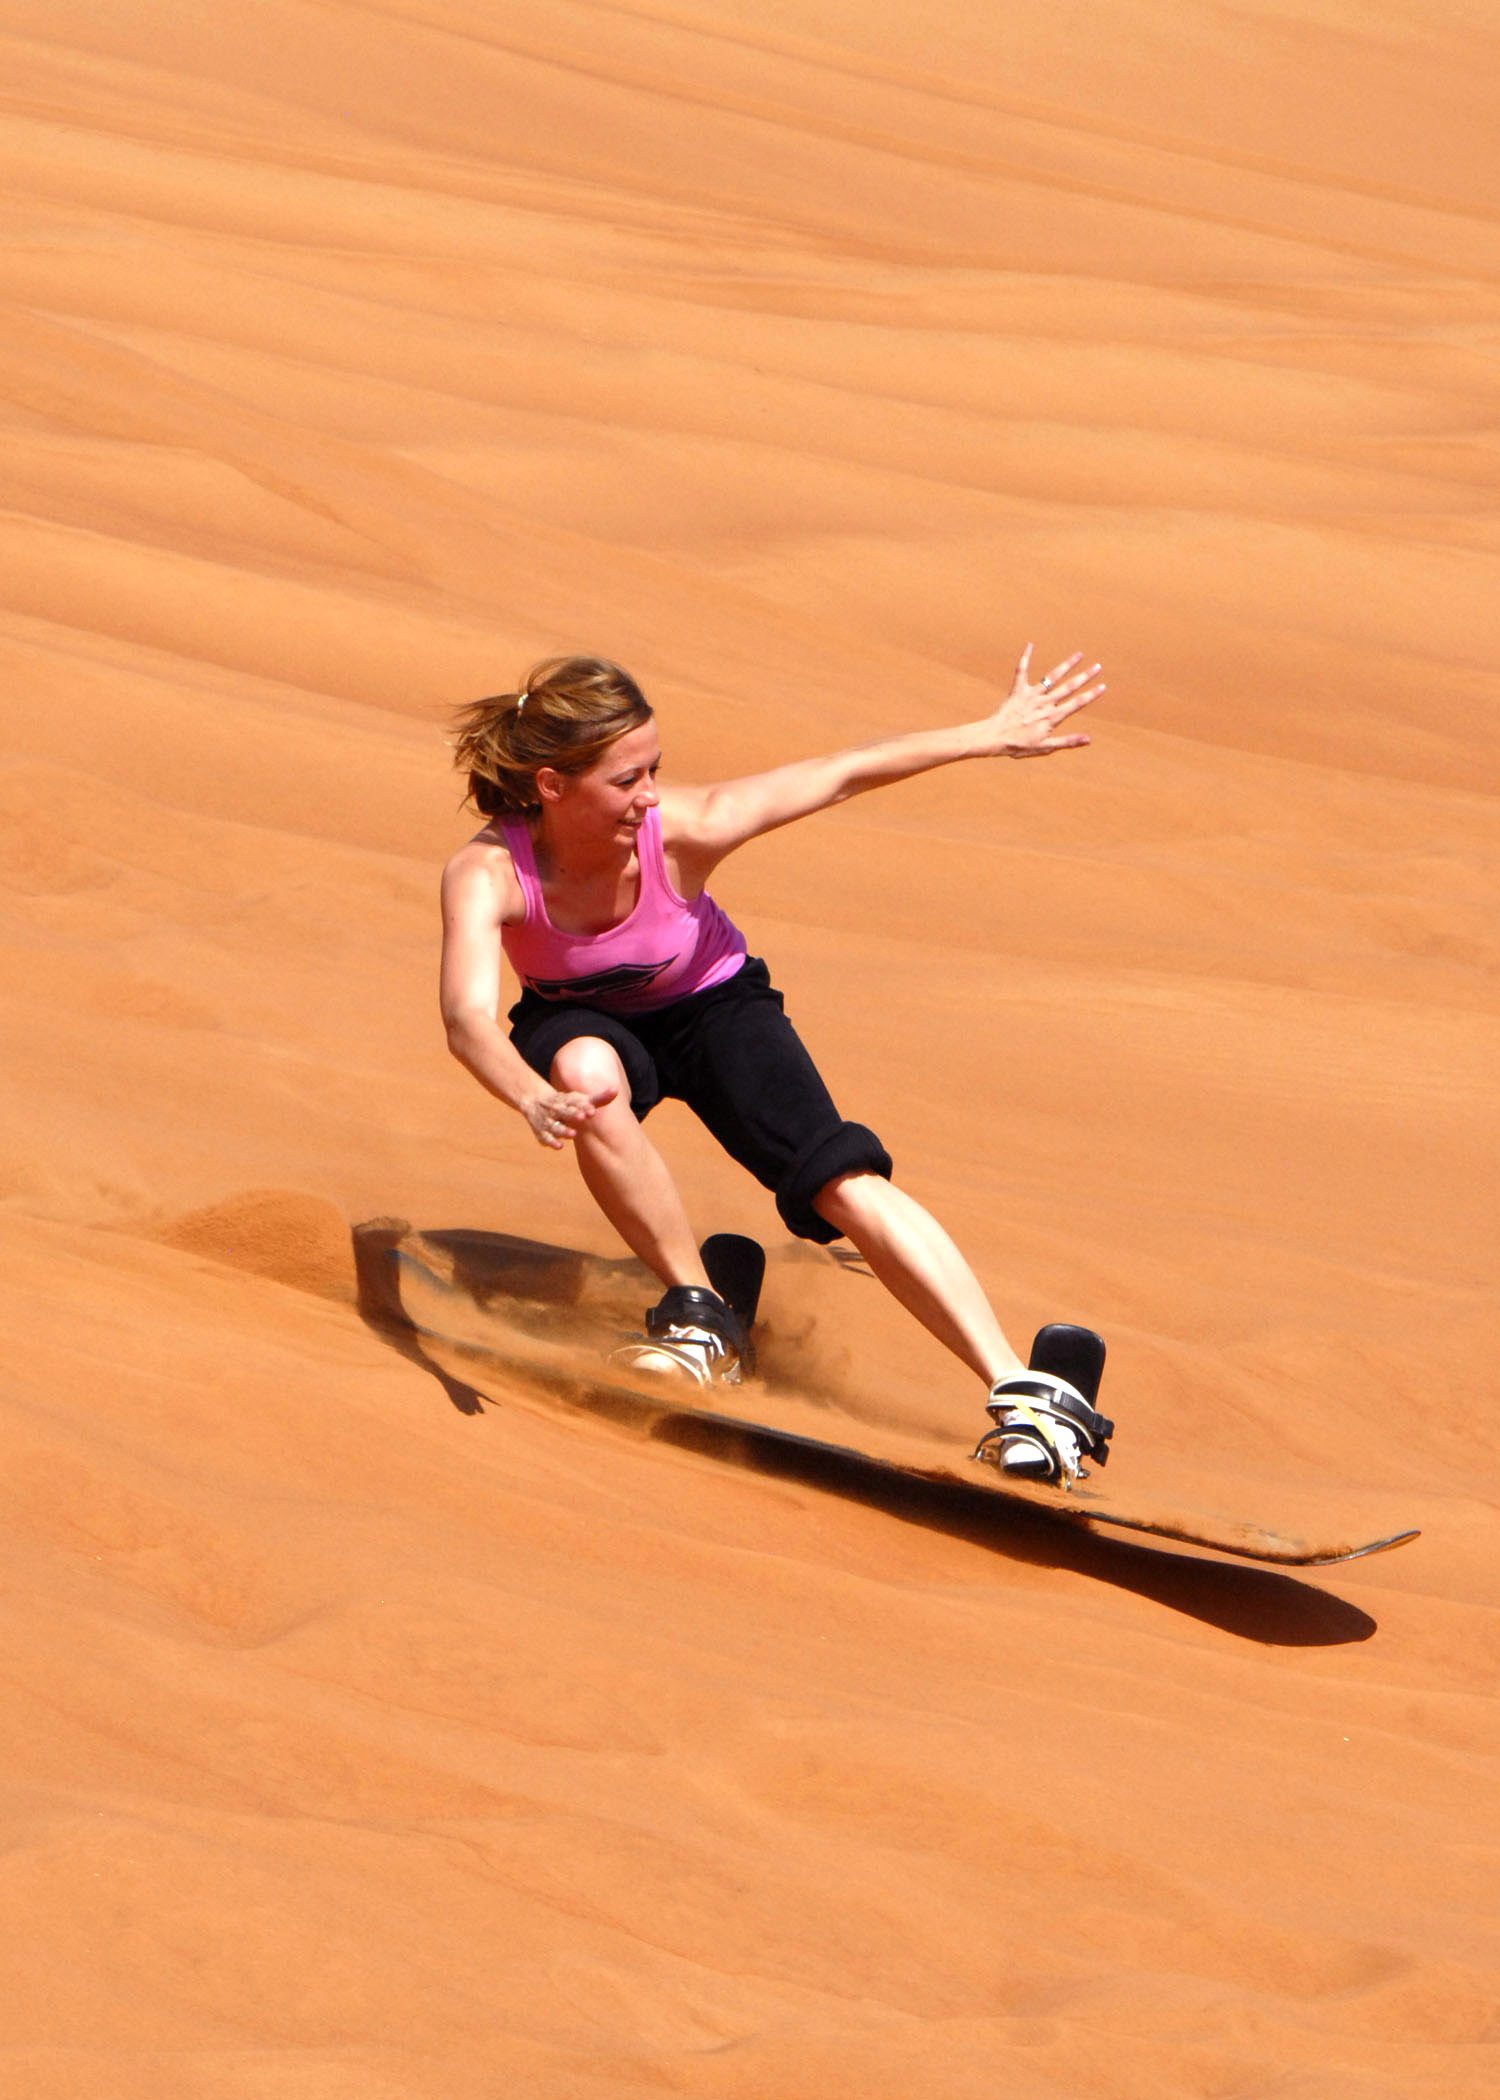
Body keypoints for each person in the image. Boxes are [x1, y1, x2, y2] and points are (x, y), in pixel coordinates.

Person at [439, 649, 1112, 1483]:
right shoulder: (489, 873)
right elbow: (467, 1017)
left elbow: (840, 773)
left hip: (715, 1008)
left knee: (837, 1176)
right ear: (550, 785)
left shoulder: (688, 829)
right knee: (586, 1076)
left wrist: (986, 734)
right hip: (578, 1014)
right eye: (625, 780)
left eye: (654, 770)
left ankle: (1025, 1389)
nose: (649, 794)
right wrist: (528, 1095)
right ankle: (698, 1312)